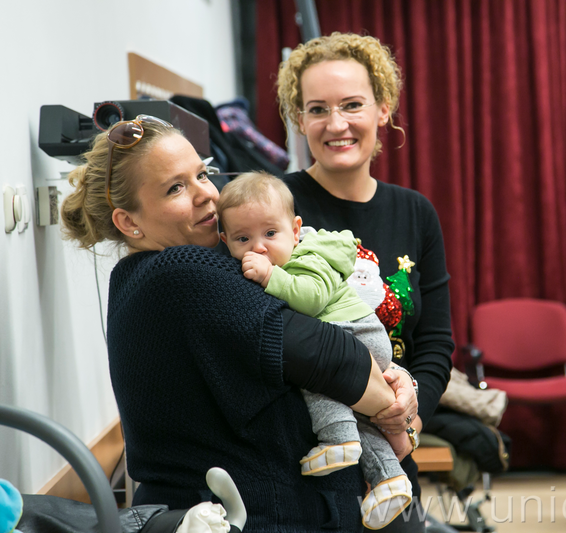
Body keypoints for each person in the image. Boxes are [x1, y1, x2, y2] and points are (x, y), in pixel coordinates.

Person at [59, 114, 411, 532]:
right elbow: (339, 361)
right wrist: (393, 404)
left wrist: (398, 382)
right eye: (175, 188)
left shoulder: (145, 276)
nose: (206, 194)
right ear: (128, 222)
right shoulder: (182, 271)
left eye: (201, 174)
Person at [277, 32, 455, 531]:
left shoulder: (416, 212)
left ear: (383, 109)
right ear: (300, 120)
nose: (336, 124)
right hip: (304, 465)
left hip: (394, 460)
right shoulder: (272, 207)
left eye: (352, 105)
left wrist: (409, 416)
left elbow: (436, 342)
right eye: (318, 109)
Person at [217, 171, 413, 529]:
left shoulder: (310, 256)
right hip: (354, 342)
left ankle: (338, 439)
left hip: (356, 333)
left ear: (296, 230)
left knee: (311, 366)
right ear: (224, 241)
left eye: (270, 234)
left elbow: (311, 300)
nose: (259, 248)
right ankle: (389, 480)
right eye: (243, 238)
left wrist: (269, 277)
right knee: (360, 416)